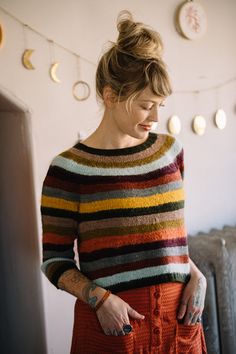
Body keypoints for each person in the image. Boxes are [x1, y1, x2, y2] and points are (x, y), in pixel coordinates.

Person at [40, 10, 208, 354]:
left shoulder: (170, 151)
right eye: (146, 105)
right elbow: (54, 260)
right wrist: (99, 300)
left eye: (160, 105)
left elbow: (167, 239)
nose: (156, 117)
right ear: (111, 96)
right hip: (114, 324)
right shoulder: (68, 169)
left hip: (179, 321)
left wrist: (196, 273)